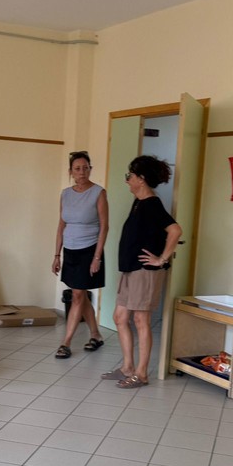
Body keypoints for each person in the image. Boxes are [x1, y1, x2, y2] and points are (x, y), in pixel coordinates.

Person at [102, 155, 182, 388]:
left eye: (130, 176)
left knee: (140, 319)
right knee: (119, 317)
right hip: (130, 269)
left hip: (144, 272)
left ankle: (142, 373)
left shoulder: (152, 204)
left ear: (141, 179)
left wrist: (161, 259)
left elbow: (175, 230)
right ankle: (127, 367)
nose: (127, 180)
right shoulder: (138, 202)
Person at [52, 150, 108, 359]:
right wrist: (57, 255)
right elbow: (61, 225)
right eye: (77, 168)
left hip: (89, 249)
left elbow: (104, 226)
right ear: (71, 171)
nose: (82, 172)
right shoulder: (65, 194)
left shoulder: (98, 193)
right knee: (80, 294)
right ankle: (96, 335)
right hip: (70, 250)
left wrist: (97, 257)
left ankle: (66, 343)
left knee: (77, 294)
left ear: (90, 169)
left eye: (86, 168)